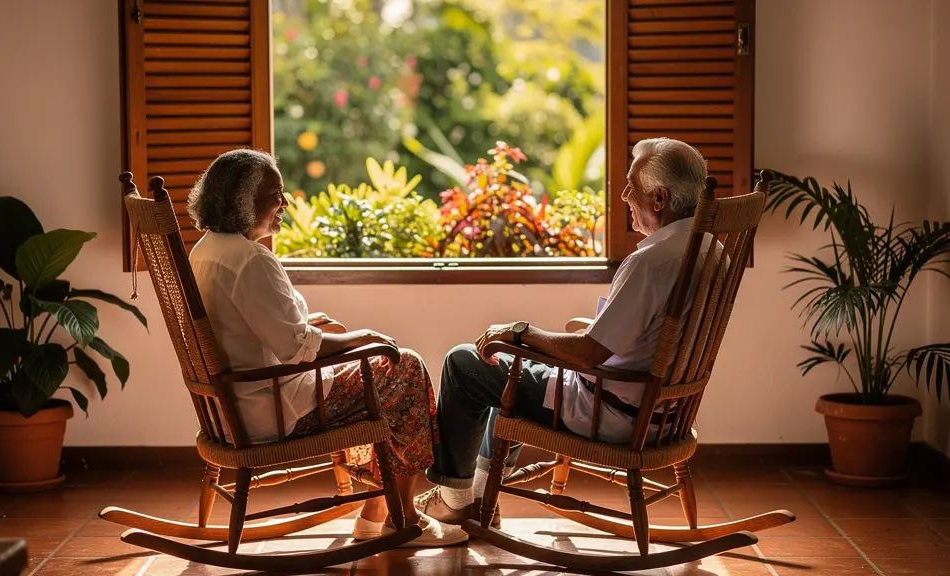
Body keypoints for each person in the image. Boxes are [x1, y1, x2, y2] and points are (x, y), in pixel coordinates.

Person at [415, 137, 720, 525]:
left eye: (632, 185)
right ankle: (479, 497)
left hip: (607, 411)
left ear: (659, 199)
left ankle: (456, 502)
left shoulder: (652, 263)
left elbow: (589, 354)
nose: (624, 194)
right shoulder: (710, 250)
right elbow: (643, 335)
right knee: (507, 369)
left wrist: (522, 333)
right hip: (665, 414)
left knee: (465, 364)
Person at [187, 148, 467, 547]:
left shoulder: (206, 251)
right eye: (274, 194)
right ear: (242, 201)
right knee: (403, 368)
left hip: (230, 408)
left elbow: (258, 327)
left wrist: (317, 327)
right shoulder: (251, 261)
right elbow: (295, 347)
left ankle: (374, 513)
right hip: (271, 410)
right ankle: (402, 518)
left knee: (375, 372)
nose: (283, 203)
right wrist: (359, 338)